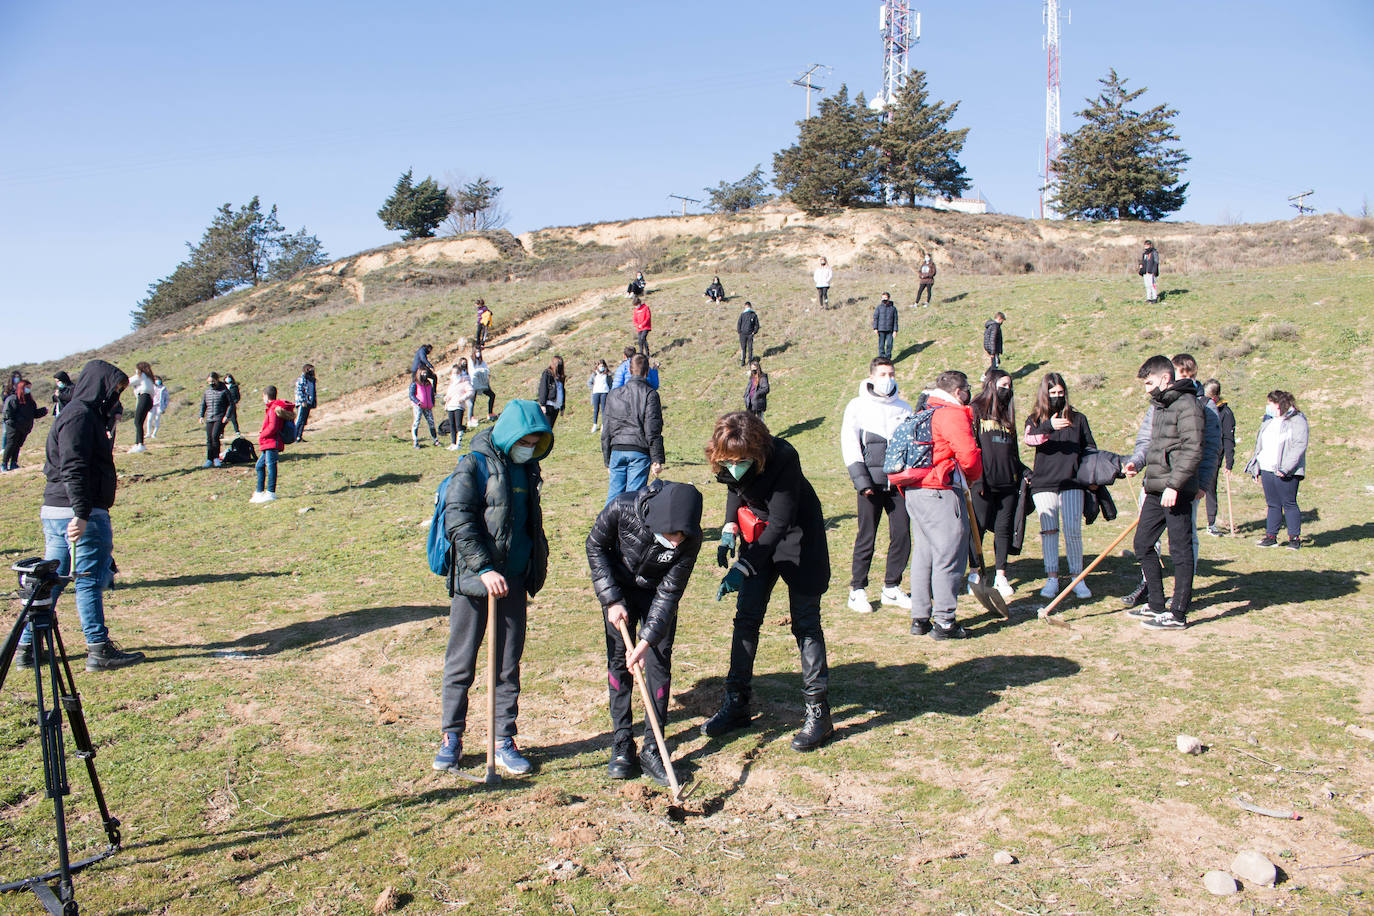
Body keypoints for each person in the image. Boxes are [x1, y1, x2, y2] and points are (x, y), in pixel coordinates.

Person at [433, 400, 554, 777]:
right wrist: (483, 568)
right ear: (509, 436)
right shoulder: (473, 465)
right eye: (525, 442)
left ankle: (504, 739)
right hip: (474, 584)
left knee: (507, 665)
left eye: (535, 443)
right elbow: (458, 520)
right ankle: (451, 737)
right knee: (461, 663)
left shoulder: (528, 468)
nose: (529, 448)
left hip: (514, 580)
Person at [702, 411, 833, 750]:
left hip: (798, 536)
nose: (733, 467)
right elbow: (737, 486)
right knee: (746, 618)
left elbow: (780, 523)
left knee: (805, 622)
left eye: (741, 461)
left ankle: (819, 713)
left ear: (758, 451)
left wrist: (743, 567)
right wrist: (730, 526)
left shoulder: (784, 457)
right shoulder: (733, 464)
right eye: (726, 461)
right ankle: (736, 703)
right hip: (757, 535)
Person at [15, 359, 144, 672]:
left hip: (62, 510)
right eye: (113, 390)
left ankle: (27, 647)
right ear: (98, 385)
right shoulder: (80, 416)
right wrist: (82, 513)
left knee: (51, 581)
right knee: (88, 579)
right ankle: (98, 649)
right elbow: (73, 466)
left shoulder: (79, 414)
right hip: (77, 513)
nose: (115, 398)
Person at [587, 480, 704, 784]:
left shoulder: (690, 539)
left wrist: (646, 641)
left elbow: (670, 593)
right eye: (671, 535)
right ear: (656, 521)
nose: (676, 542)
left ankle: (653, 748)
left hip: (656, 595)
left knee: (658, 663)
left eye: (682, 536)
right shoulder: (622, 508)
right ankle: (623, 741)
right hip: (620, 592)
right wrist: (611, 599)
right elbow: (595, 545)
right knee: (618, 661)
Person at [1125, 356, 1203, 629]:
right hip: (1156, 487)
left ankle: (1178, 614)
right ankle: (1156, 603)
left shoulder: (1188, 405)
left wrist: (1175, 485)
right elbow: (1154, 446)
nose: (1146, 388)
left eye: (1149, 382)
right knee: (1142, 544)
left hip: (1176, 490)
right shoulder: (1160, 406)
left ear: (1165, 379)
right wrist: (1138, 462)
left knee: (1180, 551)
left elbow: (1193, 450)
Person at [903, 371, 983, 639]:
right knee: (949, 554)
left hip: (915, 490)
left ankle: (920, 618)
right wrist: (972, 478)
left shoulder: (926, 409)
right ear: (959, 391)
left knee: (924, 554)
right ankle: (945, 621)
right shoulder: (950, 413)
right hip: (939, 489)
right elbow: (968, 455)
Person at [840, 357, 913, 614]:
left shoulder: (905, 408)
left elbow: (912, 445)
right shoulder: (857, 406)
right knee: (866, 536)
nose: (888, 378)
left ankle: (892, 587)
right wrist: (862, 481)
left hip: (899, 484)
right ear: (871, 377)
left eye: (891, 373)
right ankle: (857, 589)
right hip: (871, 484)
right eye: (882, 374)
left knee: (902, 534)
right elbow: (850, 444)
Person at [1023, 372, 1095, 600]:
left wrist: (1092, 477)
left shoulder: (1079, 418)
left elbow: (1090, 448)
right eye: (1052, 393)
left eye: (1061, 393)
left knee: (1073, 531)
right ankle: (1052, 577)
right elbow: (1029, 439)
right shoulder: (1035, 419)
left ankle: (1077, 577)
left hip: (1072, 482)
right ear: (1044, 394)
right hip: (1044, 483)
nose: (1057, 396)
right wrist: (1048, 426)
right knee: (1049, 531)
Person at [969, 369, 1023, 600]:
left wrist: (1022, 472)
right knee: (977, 528)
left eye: (1010, 386)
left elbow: (1014, 451)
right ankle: (975, 571)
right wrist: (977, 477)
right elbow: (970, 445)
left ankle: (1001, 574)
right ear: (991, 384)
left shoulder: (1007, 415)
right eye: (1003, 385)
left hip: (1007, 483)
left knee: (1004, 529)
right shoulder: (975, 410)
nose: (1007, 390)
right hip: (983, 482)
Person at [1245, 390, 1308, 549]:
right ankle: (1271, 536)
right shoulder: (1268, 421)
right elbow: (1261, 445)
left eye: (1270, 404)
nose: (1268, 407)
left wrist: (1286, 468)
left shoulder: (1297, 420)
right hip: (1267, 468)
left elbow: (1299, 446)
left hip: (1286, 470)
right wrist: (1256, 467)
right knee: (1272, 504)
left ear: (1279, 404)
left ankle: (1294, 538)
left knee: (1289, 503)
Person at [601, 355, 664, 504]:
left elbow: (607, 429)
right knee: (632, 499)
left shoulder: (613, 394)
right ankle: (626, 527)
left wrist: (607, 459)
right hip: (638, 451)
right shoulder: (650, 394)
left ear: (629, 370)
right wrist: (657, 458)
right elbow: (652, 428)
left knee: (613, 499)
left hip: (617, 450)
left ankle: (605, 526)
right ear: (647, 371)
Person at [250, 386, 296, 503]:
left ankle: (271, 492)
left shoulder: (273, 409)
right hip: (269, 442)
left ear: (266, 396)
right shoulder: (273, 408)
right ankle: (259, 492)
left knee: (271, 466)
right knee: (259, 466)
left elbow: (273, 427)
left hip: (272, 442)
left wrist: (262, 435)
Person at [1203, 379, 1236, 536]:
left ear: (1214, 396)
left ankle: (1211, 523)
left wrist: (1229, 463)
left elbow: (1228, 440)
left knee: (1210, 489)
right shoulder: (1202, 406)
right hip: (1197, 453)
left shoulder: (1226, 413)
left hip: (1213, 456)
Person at [2, 378, 48, 471]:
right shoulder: (13, 399)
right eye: (27, 387)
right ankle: (4, 464)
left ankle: (14, 463)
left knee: (18, 445)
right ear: (21, 387)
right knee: (10, 445)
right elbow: (7, 414)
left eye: (29, 388)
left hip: (24, 428)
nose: (28, 390)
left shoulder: (30, 401)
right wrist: (13, 424)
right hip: (13, 427)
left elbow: (34, 414)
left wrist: (43, 411)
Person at [198, 372, 231, 468]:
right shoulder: (207, 392)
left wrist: (227, 416)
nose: (211, 383)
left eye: (213, 381)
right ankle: (209, 459)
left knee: (215, 436)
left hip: (219, 416)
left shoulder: (224, 390)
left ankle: (216, 458)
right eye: (209, 382)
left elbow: (231, 404)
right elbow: (204, 404)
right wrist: (201, 416)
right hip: (209, 417)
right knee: (209, 439)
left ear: (217, 380)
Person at [443, 360, 474, 451]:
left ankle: (458, 443)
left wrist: (462, 398)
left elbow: (471, 391)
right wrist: (446, 398)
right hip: (450, 406)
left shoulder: (465, 382)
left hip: (459, 406)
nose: (455, 375)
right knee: (452, 425)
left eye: (456, 373)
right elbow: (449, 394)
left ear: (460, 373)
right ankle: (453, 443)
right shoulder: (451, 384)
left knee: (458, 425)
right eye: (453, 373)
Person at [128, 362, 155, 452]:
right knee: (139, 422)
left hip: (144, 397)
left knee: (138, 421)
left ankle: (140, 444)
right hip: (149, 399)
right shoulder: (149, 377)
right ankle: (137, 443)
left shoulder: (141, 375)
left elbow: (129, 381)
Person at [409, 369, 440, 448]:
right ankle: (415, 441)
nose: (425, 375)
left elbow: (431, 394)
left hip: (428, 406)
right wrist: (417, 402)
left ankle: (435, 440)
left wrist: (432, 402)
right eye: (423, 373)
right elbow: (411, 395)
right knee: (416, 422)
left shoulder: (428, 383)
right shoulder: (415, 383)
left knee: (431, 423)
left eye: (426, 373)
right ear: (419, 374)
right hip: (418, 406)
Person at [536, 355, 566, 428]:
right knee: (547, 428)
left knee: (550, 427)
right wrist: (542, 404)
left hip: (557, 405)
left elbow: (562, 391)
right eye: (558, 364)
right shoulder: (547, 373)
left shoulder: (560, 377)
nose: (559, 366)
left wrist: (562, 406)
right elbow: (543, 388)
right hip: (549, 405)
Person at [469, 349, 497, 421]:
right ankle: (471, 417)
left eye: (479, 352)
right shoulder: (471, 361)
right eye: (477, 352)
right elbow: (472, 372)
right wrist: (481, 371)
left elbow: (486, 369)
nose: (478, 354)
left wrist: (483, 371)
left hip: (483, 382)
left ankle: (490, 413)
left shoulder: (482, 361)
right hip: (474, 383)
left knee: (492, 395)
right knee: (472, 401)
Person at [294, 364, 317, 442]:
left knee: (304, 421)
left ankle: (299, 436)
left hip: (309, 402)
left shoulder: (311, 380)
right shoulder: (301, 379)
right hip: (302, 403)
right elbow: (299, 391)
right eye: (310, 369)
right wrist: (303, 401)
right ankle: (294, 437)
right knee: (300, 420)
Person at [872, 292, 898, 359]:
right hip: (881, 329)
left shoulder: (893, 309)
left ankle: (888, 359)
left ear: (889, 298)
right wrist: (875, 328)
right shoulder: (878, 308)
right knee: (881, 345)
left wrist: (895, 330)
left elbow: (895, 320)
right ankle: (881, 358)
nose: (884, 299)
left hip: (890, 330)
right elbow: (875, 318)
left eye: (885, 298)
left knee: (889, 345)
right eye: (883, 298)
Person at [588, 359, 611, 432]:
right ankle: (595, 424)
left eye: (603, 366)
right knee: (596, 409)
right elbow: (589, 383)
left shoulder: (607, 375)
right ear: (597, 366)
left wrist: (609, 390)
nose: (601, 367)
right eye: (600, 366)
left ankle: (603, 425)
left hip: (604, 392)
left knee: (603, 409)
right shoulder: (594, 374)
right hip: (596, 393)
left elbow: (611, 383)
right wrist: (593, 388)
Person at [737, 301, 759, 367]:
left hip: (750, 334)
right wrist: (739, 332)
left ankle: (750, 361)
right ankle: (743, 361)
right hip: (743, 334)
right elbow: (739, 324)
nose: (747, 308)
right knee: (743, 348)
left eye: (748, 306)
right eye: (746, 307)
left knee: (750, 348)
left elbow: (757, 325)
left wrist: (754, 332)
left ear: (750, 306)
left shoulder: (753, 315)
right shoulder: (742, 315)